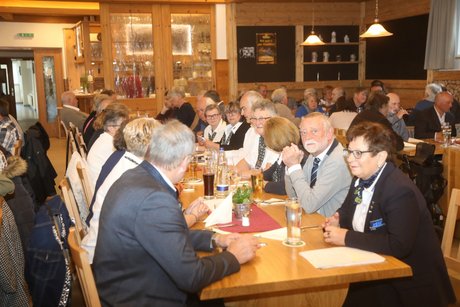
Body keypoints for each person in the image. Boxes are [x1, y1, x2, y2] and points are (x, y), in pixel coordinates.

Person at [93, 120, 260, 306]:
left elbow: (165, 235)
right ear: (185, 161)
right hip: (140, 297)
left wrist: (214, 239)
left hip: (125, 284)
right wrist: (234, 256)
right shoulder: (155, 200)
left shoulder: (135, 175)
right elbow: (192, 277)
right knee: (217, 297)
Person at [322, 121, 456, 307]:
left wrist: (346, 237)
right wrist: (337, 220)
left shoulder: (399, 190)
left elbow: (399, 245)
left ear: (381, 157)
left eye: (358, 153)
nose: (350, 159)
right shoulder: (360, 179)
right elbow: (346, 211)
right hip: (376, 268)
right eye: (349, 151)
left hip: (408, 284)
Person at [283, 113, 351, 217]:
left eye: (314, 131)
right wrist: (290, 168)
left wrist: (294, 167)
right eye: (303, 133)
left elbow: (309, 205)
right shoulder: (316, 153)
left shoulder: (339, 160)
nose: (308, 137)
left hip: (330, 226)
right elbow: (294, 197)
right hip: (313, 220)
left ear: (329, 133)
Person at [86, 102, 129, 191]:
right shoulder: (112, 145)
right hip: (104, 192)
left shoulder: (105, 138)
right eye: (123, 125)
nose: (126, 128)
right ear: (111, 127)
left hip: (101, 187)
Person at [236, 99, 279, 176]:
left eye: (262, 118)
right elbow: (246, 162)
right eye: (254, 118)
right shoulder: (259, 137)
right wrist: (235, 171)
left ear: (273, 119)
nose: (257, 122)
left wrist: (248, 173)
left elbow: (267, 173)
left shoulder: (278, 140)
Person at [263, 117, 302, 195]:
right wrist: (257, 177)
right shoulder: (283, 153)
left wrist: (265, 185)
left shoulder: (295, 154)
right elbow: (267, 174)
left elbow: (283, 187)